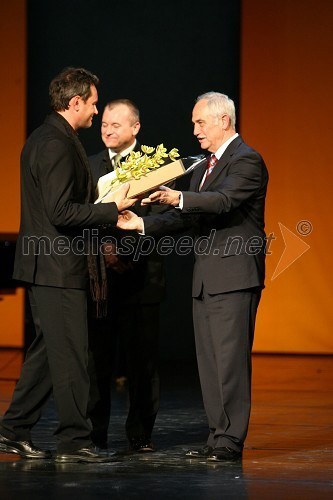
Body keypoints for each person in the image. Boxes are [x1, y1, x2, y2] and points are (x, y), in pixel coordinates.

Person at [117, 91, 269, 462]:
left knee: (230, 362)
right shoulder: (203, 167)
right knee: (210, 362)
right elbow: (185, 217)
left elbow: (223, 201)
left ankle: (231, 440)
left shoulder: (247, 160)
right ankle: (218, 436)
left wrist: (178, 198)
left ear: (223, 120)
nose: (195, 131)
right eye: (194, 124)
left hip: (234, 276)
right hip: (207, 278)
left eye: (200, 123)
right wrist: (141, 223)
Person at [0, 67, 136, 464]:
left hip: (53, 265)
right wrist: (111, 210)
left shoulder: (54, 137)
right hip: (57, 265)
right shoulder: (55, 143)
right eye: (93, 104)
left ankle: (12, 428)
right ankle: (74, 440)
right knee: (73, 353)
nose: (96, 111)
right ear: (75, 102)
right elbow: (60, 211)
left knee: (49, 353)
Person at [87, 99, 165, 452]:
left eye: (116, 124)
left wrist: (129, 252)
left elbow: (166, 222)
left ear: (135, 128)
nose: (107, 129)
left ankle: (140, 435)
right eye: (104, 123)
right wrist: (104, 250)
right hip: (101, 279)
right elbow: (80, 216)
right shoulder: (89, 167)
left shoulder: (156, 165)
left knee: (141, 363)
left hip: (142, 277)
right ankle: (94, 434)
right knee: (97, 362)